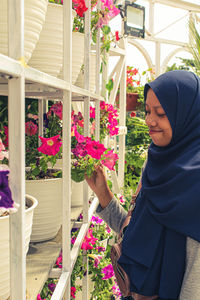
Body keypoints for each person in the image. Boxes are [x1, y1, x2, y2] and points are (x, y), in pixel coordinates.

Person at [86, 70, 200, 300]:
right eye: (147, 111)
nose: (149, 120)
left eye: (161, 113)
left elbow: (195, 278)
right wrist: (103, 194)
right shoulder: (156, 161)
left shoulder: (195, 183)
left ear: (186, 116)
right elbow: (136, 233)